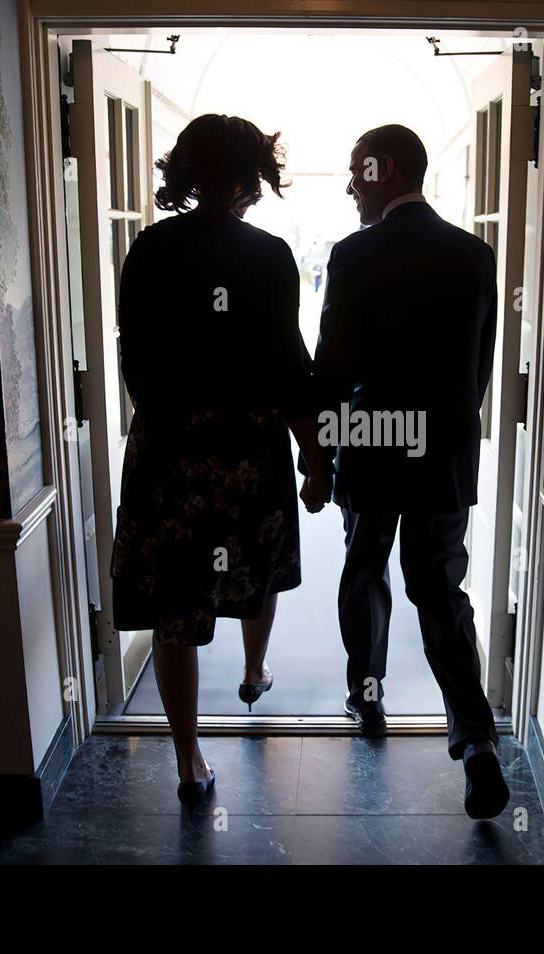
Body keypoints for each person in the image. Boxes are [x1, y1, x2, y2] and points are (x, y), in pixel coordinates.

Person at [110, 114, 331, 805]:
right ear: (251, 177)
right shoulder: (267, 256)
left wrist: (169, 420)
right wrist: (315, 457)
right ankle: (256, 666)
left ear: (184, 171)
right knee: (256, 566)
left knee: (176, 606)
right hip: (246, 447)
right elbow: (290, 368)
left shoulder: (148, 249)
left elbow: (134, 360)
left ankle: (187, 762)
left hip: (170, 451)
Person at [309, 124, 509, 819]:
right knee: (439, 590)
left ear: (383, 168)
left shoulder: (356, 254)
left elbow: (334, 369)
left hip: (369, 446)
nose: (349, 186)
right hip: (445, 455)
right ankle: (477, 741)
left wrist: (318, 459)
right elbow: (477, 373)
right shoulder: (475, 255)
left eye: (355, 172)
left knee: (365, 570)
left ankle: (366, 701)